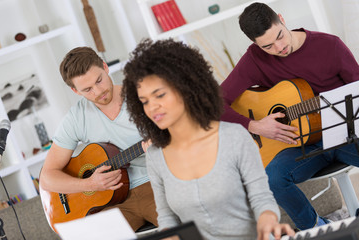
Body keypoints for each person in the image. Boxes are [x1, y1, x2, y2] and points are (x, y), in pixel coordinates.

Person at [122, 38, 294, 240]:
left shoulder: (234, 137)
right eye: (144, 101)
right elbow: (167, 217)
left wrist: (268, 220)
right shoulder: (155, 156)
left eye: (159, 95)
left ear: (186, 88)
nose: (152, 107)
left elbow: (261, 198)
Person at [220, 2, 359, 230]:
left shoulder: (330, 45)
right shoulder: (255, 59)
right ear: (255, 44)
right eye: (268, 46)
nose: (279, 47)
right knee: (272, 178)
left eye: (280, 36)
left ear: (282, 19)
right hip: (303, 145)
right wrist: (255, 126)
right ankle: (317, 229)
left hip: (346, 135)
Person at [39, 47, 158, 231]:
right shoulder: (77, 117)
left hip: (156, 186)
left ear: (105, 67)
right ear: (75, 91)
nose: (98, 91)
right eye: (87, 89)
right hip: (112, 202)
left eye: (99, 80)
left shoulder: (142, 94)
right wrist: (89, 184)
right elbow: (47, 177)